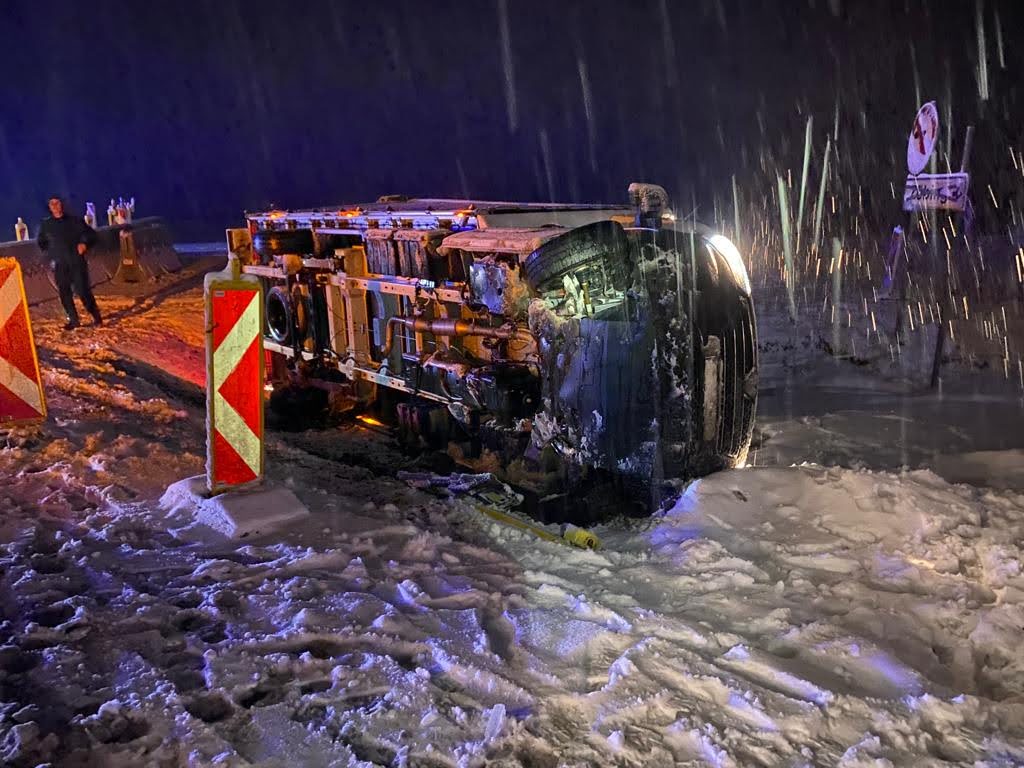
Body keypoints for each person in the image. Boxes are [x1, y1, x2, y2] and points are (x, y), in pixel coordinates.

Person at [37, 196, 102, 330]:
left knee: (83, 291)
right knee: (64, 293)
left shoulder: (74, 221)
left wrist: (84, 244)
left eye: (57, 203)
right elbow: (41, 242)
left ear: (62, 205)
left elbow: (92, 235)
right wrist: (48, 252)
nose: (54, 206)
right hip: (60, 264)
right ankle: (74, 320)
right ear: (49, 207)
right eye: (51, 204)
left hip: (76, 262)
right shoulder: (46, 224)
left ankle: (96, 316)